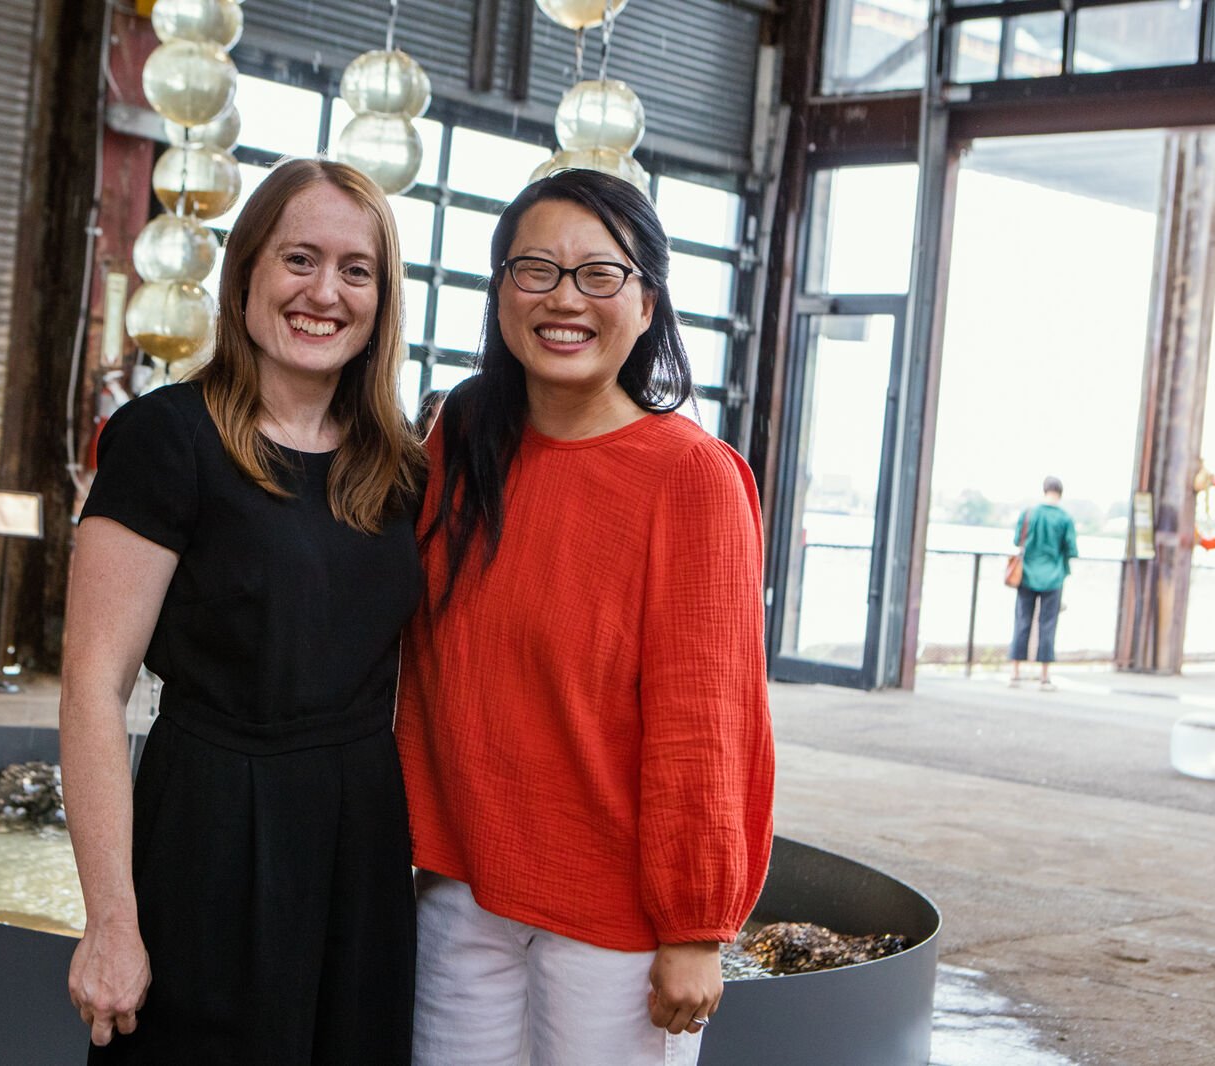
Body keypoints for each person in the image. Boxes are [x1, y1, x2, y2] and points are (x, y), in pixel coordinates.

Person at [396, 168, 776, 1066]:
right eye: (536, 270)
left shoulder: (691, 475)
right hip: (459, 890)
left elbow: (705, 719)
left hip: (617, 921)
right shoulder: (457, 440)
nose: (565, 298)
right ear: (499, 294)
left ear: (647, 304)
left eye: (600, 274)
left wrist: (695, 927)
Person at [61, 158, 425, 1064]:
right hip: (213, 830)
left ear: (383, 298)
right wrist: (111, 920)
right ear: (248, 271)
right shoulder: (165, 439)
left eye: (356, 269)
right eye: (299, 259)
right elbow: (92, 688)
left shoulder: (400, 468)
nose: (324, 293)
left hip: (361, 842)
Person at [1009, 475, 1078, 691]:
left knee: (1022, 622)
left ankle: (1015, 673)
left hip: (1027, 575)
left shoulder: (1029, 513)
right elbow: (1071, 549)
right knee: (1047, 625)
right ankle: (1044, 677)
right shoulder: (1065, 519)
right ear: (1060, 492)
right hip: (1053, 578)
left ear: (1044, 490)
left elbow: (1016, 540)